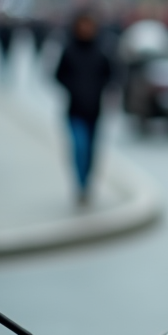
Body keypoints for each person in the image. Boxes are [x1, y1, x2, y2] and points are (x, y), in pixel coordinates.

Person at [54, 11, 115, 205]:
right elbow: (58, 75)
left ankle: (87, 184)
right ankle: (79, 184)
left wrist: (101, 88)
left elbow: (111, 74)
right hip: (74, 110)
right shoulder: (69, 50)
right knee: (79, 147)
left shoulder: (101, 50)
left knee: (91, 150)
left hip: (95, 109)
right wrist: (73, 87)